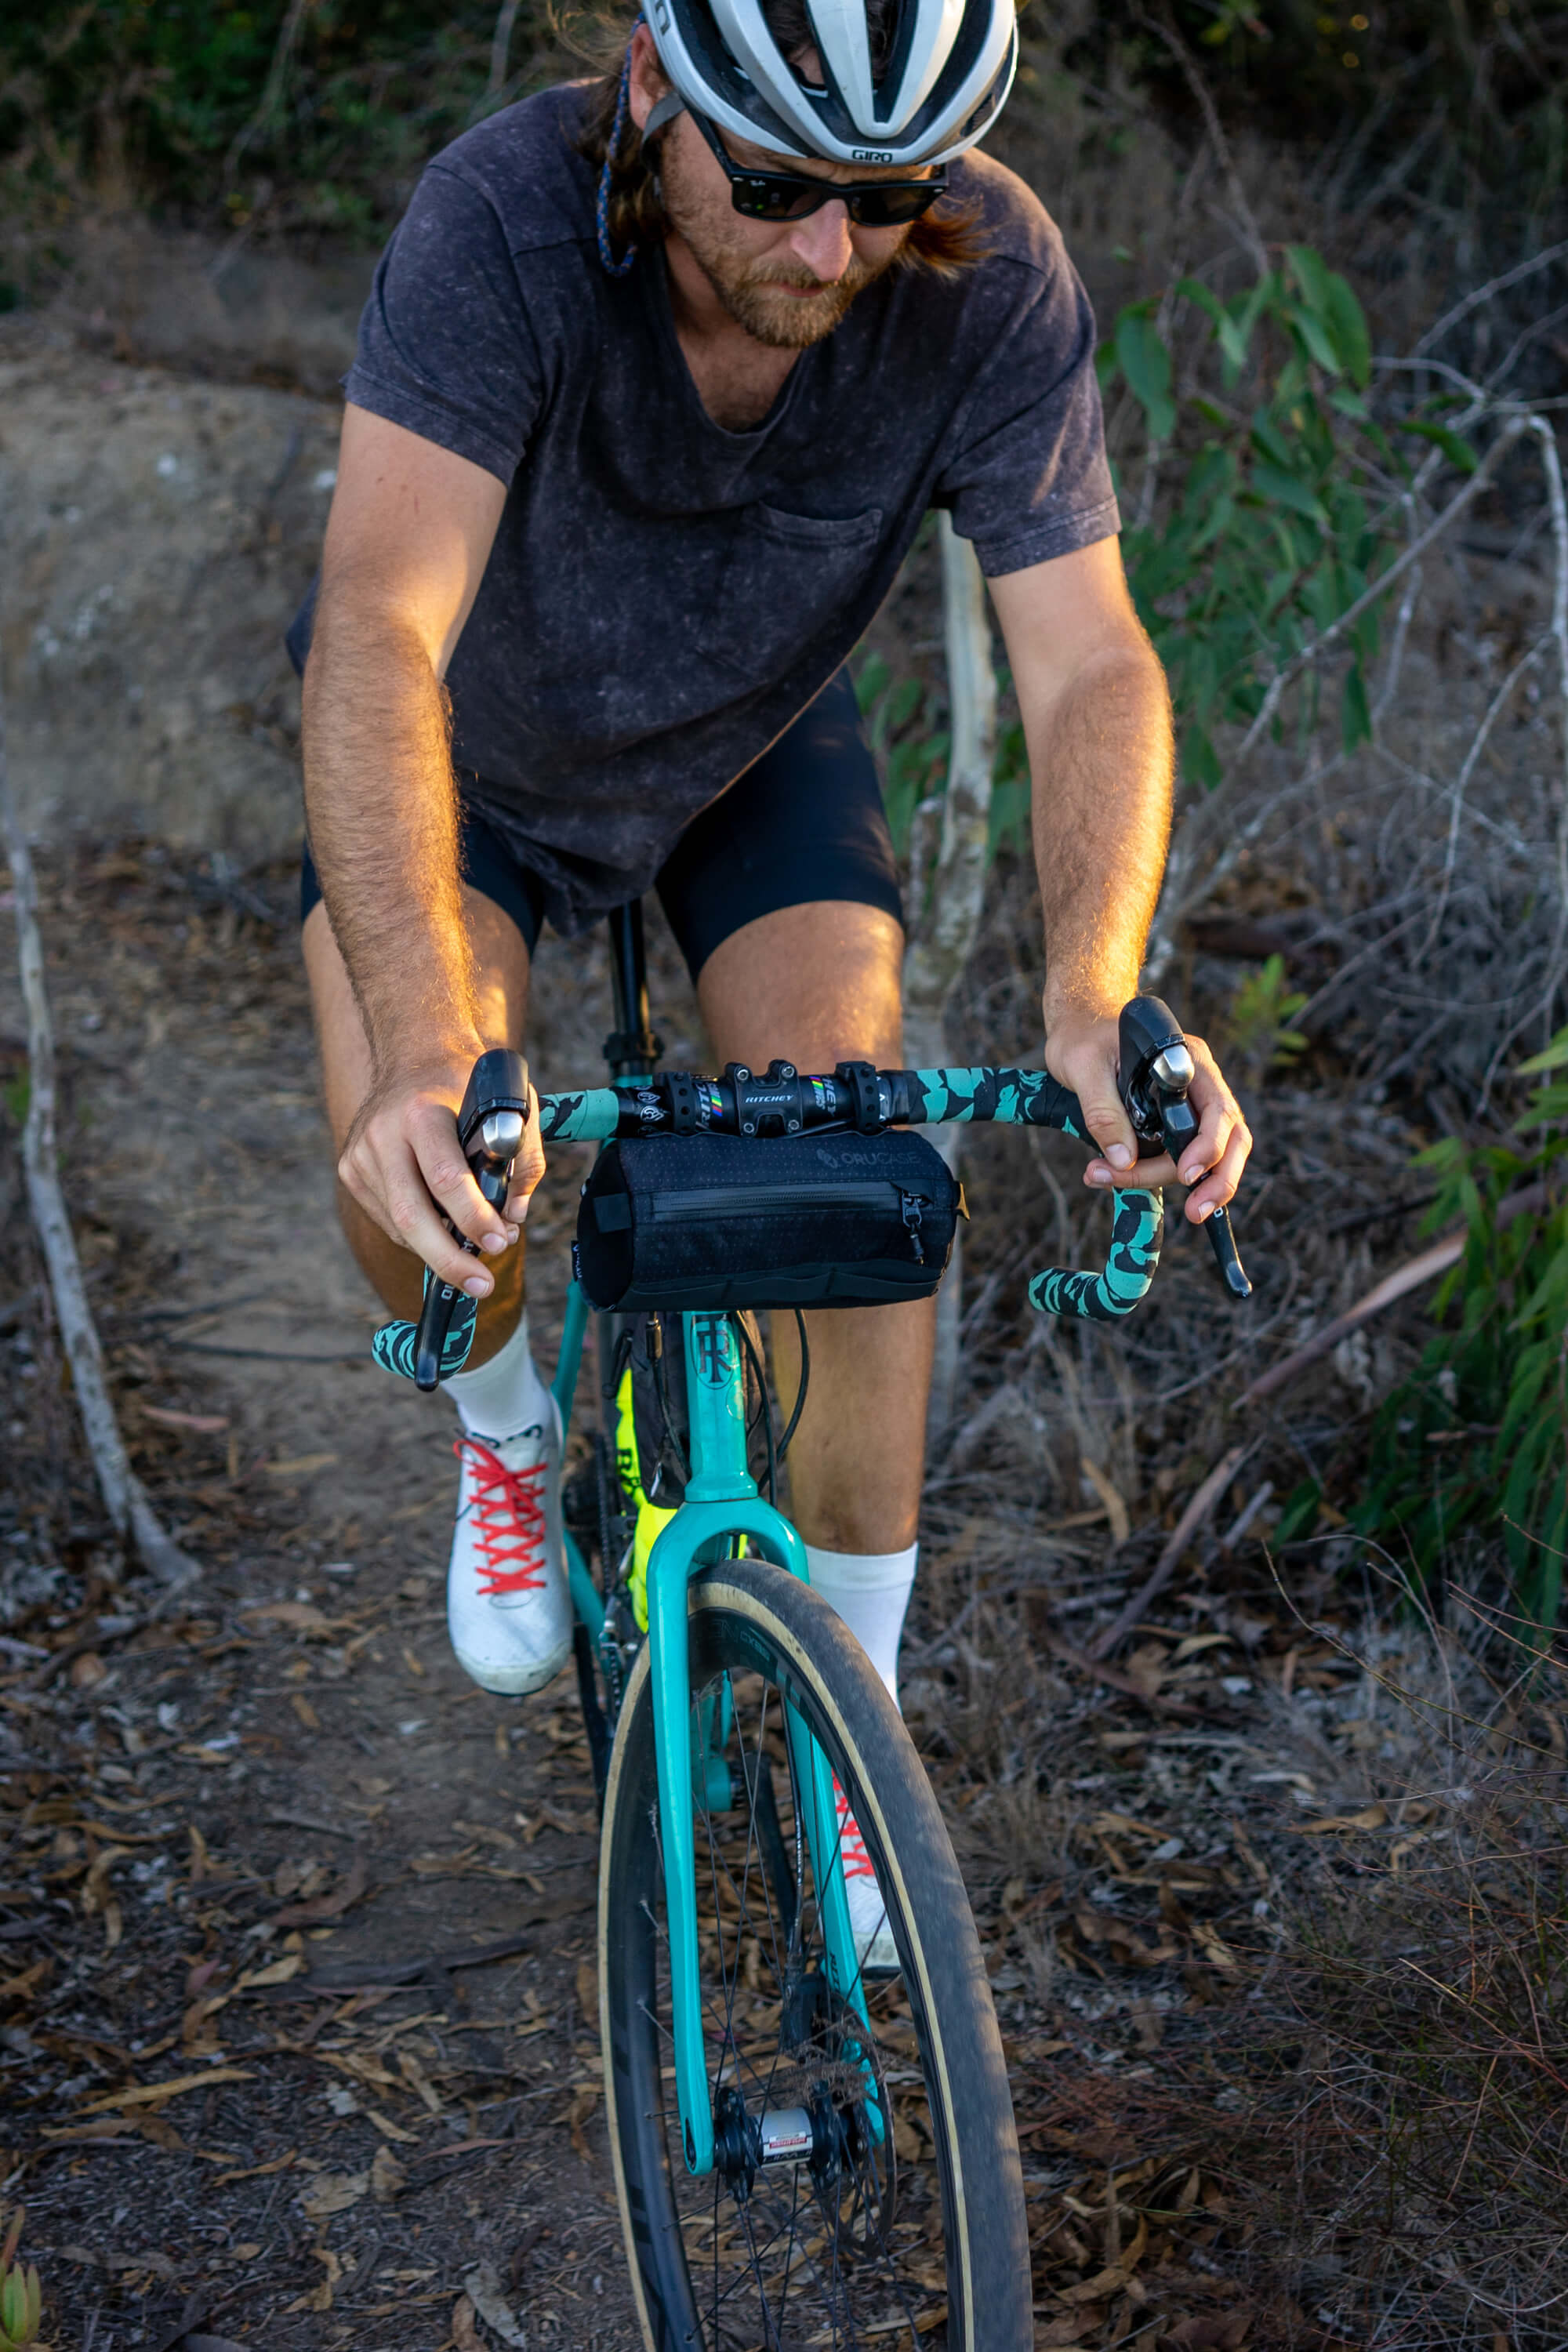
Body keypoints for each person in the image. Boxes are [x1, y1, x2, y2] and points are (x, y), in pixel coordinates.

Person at [291, 0, 1251, 1966]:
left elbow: (1089, 664)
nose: (829, 249)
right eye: (784, 185)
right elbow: (377, 628)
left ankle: (851, 1736)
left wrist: (1093, 994)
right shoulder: (498, 220)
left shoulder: (993, 274)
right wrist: (417, 1046)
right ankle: (493, 1429)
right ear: (657, 96)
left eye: (885, 198)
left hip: (748, 759)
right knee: (436, 1139)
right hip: (471, 765)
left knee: (860, 1157)